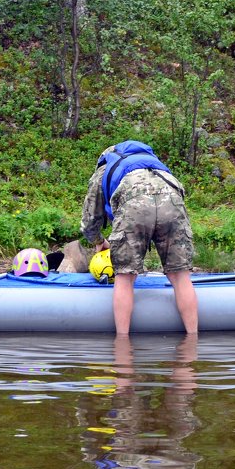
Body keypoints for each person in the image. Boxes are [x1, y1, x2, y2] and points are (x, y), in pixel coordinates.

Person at [81, 140, 198, 336]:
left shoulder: (106, 167)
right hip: (172, 200)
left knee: (125, 277)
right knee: (180, 276)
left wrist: (99, 242)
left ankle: (123, 346)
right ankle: (192, 342)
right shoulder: (153, 163)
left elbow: (90, 219)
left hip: (133, 203)